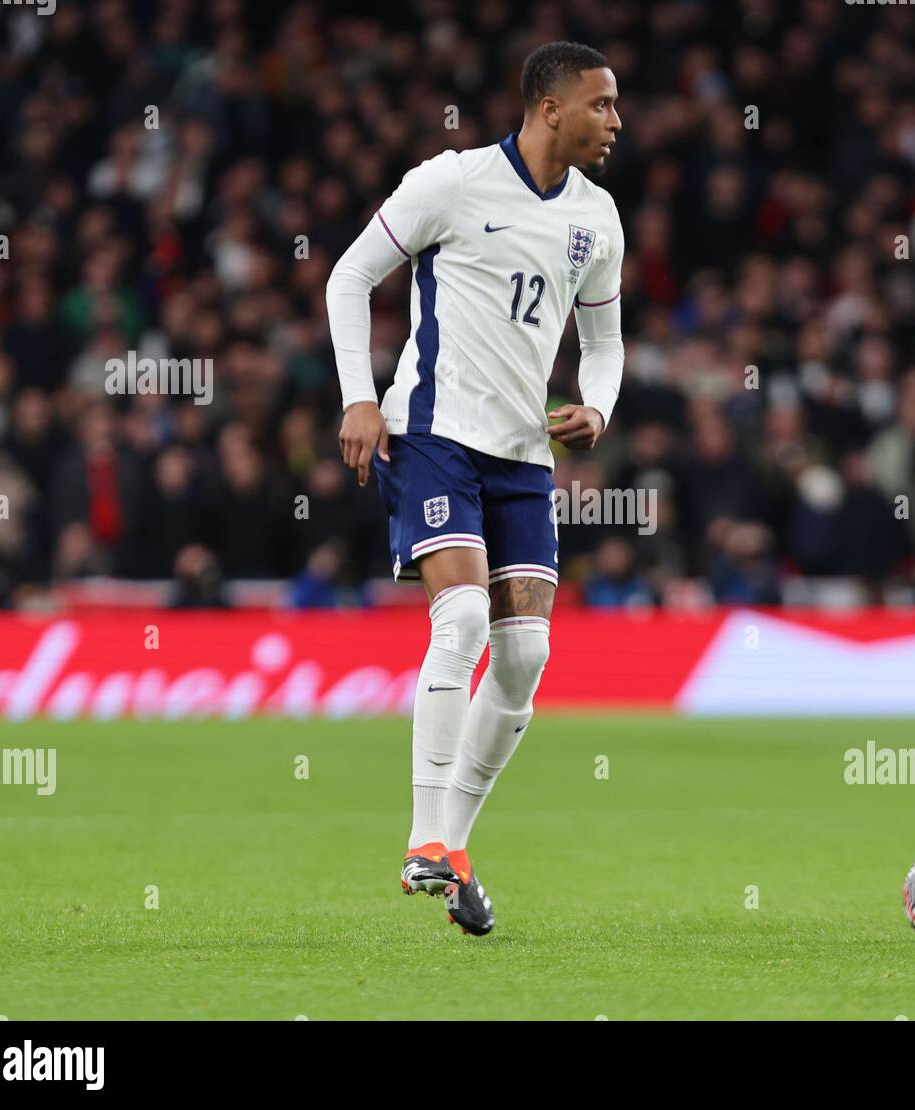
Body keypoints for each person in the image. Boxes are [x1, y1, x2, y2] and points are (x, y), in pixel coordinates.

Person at [326, 41, 624, 936]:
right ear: (549, 108)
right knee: (458, 622)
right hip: (432, 432)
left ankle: (451, 845)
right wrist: (359, 397)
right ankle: (424, 838)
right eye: (601, 105)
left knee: (526, 658)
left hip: (525, 453)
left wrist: (598, 409)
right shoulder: (451, 183)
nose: (615, 121)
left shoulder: (598, 220)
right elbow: (348, 276)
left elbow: (603, 344)